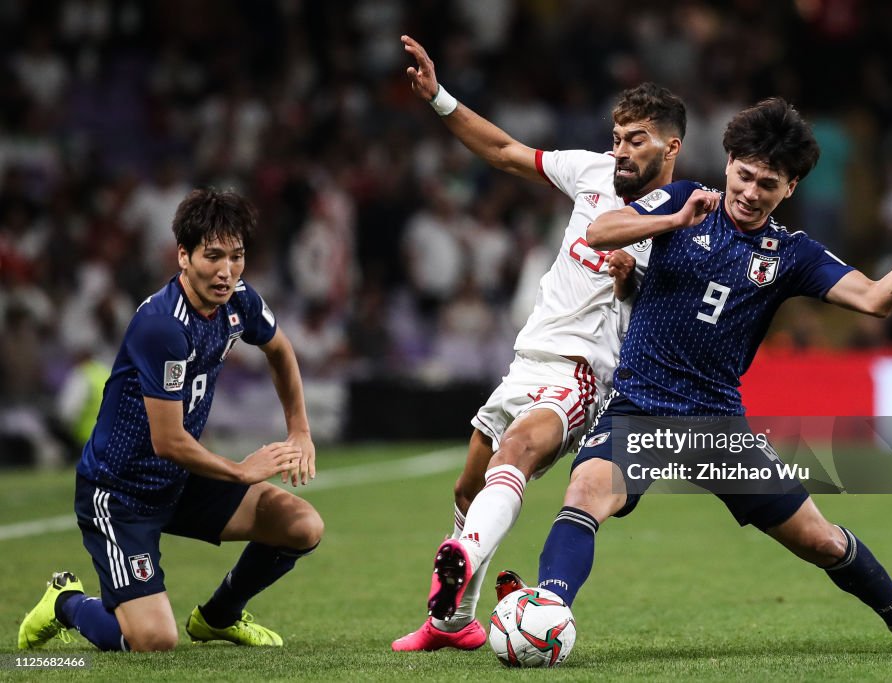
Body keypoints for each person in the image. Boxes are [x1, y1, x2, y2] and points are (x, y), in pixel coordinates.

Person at [525, 98, 892, 654]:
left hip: (717, 426)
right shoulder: (681, 200)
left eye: (768, 184)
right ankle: (545, 615)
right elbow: (599, 232)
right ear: (728, 163)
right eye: (744, 175)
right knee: (586, 488)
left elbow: (877, 299)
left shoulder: (792, 254)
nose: (750, 191)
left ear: (789, 189)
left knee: (821, 540)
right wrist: (671, 219)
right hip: (640, 408)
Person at [392, 35, 685, 651]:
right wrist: (439, 97)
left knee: (518, 451)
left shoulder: (686, 217)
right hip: (528, 357)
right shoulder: (591, 173)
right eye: (618, 135)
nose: (621, 149)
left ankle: (465, 553)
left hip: (581, 372)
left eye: (637, 139)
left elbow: (680, 312)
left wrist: (639, 285)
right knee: (468, 486)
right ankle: (453, 623)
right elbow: (502, 150)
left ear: (671, 146)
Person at [18, 188, 324, 652]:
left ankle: (219, 617)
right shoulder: (163, 325)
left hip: (182, 480)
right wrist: (243, 471)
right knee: (154, 640)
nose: (226, 272)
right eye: (213, 256)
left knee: (302, 526)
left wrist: (300, 431)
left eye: (237, 256)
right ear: (183, 255)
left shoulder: (238, 298)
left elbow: (279, 349)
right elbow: (168, 441)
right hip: (121, 492)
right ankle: (65, 602)